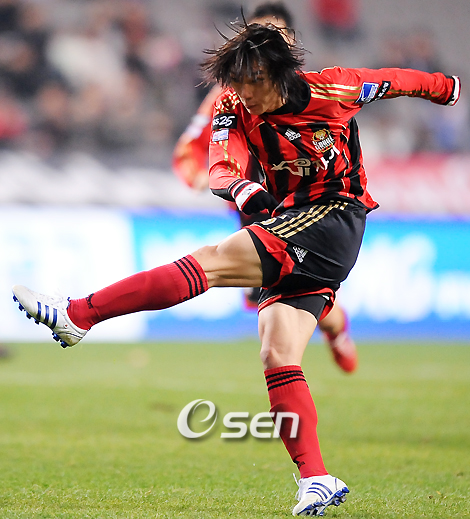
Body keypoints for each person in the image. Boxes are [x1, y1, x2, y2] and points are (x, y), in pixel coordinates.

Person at [12, 23, 460, 517]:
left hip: (335, 216)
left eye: (252, 83)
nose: (244, 94)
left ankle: (79, 314)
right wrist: (242, 188)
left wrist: (447, 88)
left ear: (278, 74)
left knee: (211, 261)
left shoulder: (334, 88)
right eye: (237, 83)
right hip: (288, 219)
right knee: (276, 354)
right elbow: (220, 166)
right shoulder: (232, 104)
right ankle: (317, 479)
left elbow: (397, 80)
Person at [173, 1, 358, 373]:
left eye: (275, 35)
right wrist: (201, 176)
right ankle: (330, 330)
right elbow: (190, 146)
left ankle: (328, 333)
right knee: (277, 299)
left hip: (306, 213)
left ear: (291, 40)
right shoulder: (229, 95)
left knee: (293, 294)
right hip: (255, 214)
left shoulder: (314, 92)